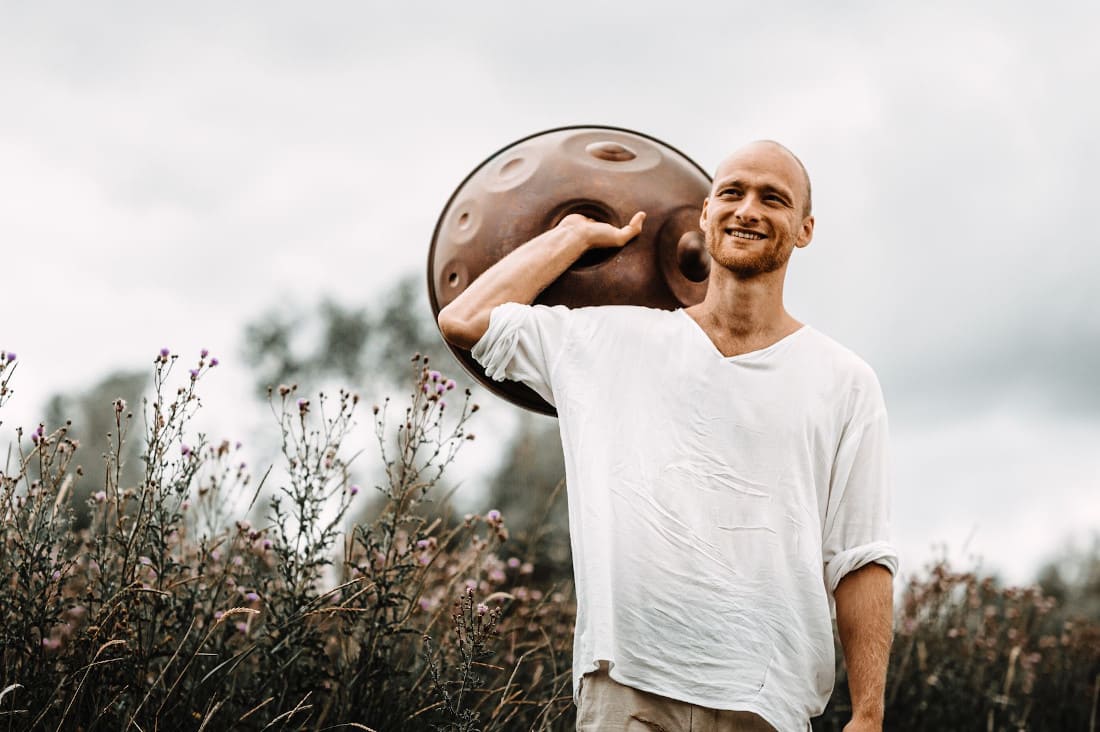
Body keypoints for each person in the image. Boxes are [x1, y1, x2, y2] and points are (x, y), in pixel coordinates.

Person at [437, 140, 897, 732]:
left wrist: (868, 713)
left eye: (773, 199)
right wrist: (572, 236)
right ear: (704, 213)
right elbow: (464, 319)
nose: (747, 210)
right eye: (731, 193)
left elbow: (860, 557)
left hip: (767, 699)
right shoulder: (608, 341)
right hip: (629, 686)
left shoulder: (845, 380)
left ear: (805, 229)